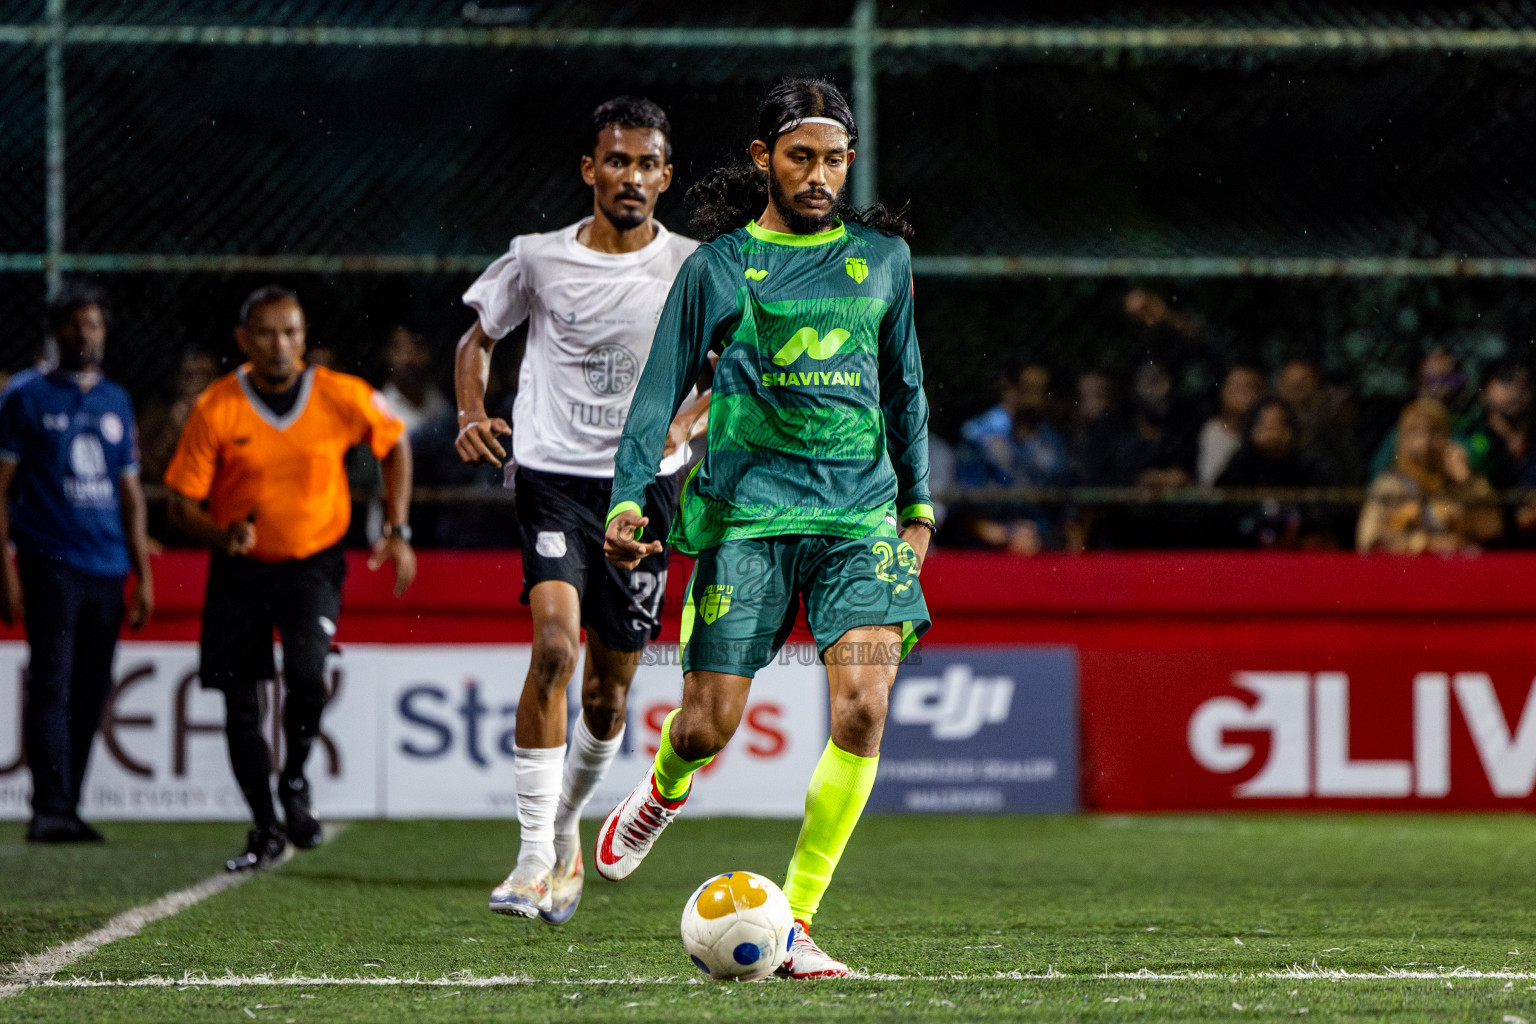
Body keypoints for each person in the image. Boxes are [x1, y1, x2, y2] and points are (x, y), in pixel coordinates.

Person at [597, 77, 932, 979]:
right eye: (800, 157)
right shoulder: (717, 268)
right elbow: (659, 390)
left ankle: (798, 924)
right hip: (747, 519)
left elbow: (906, 389)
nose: (819, 174)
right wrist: (631, 497)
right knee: (707, 727)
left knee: (864, 708)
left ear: (848, 161)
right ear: (763, 160)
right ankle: (665, 789)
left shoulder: (884, 264)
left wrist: (919, 508)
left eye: (832, 159)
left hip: (859, 522)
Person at [453, 96, 710, 925]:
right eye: (616, 160)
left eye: (646, 164)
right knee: (555, 647)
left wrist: (684, 421)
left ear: (666, 177)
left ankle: (566, 829)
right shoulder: (537, 258)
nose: (630, 176)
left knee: (607, 695)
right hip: (554, 475)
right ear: (590, 169)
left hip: (647, 486)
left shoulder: (696, 266)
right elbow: (477, 337)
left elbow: (733, 369)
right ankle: (532, 857)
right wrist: (470, 412)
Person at [164, 285, 416, 872]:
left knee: (307, 675)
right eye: (268, 333)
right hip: (240, 569)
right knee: (240, 703)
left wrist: (397, 528)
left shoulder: (339, 395)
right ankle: (264, 826)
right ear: (244, 340)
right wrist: (221, 535)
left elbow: (396, 444)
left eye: (292, 332)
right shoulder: (217, 407)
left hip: (312, 562)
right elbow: (180, 504)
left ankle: (296, 778)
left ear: (304, 338)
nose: (281, 344)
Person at [0, 284, 153, 843]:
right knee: (52, 682)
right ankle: (48, 806)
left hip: (108, 566)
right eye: (76, 325)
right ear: (56, 330)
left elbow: (131, 494)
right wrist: (6, 566)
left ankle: (72, 802)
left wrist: (143, 572)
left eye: (95, 325)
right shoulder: (25, 396)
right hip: (49, 561)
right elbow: (1, 488)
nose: (86, 335)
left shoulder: (116, 400)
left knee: (91, 689)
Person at [1357, 398, 1502, 555]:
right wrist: (1423, 544)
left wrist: (1468, 482)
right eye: (1414, 432)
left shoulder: (1461, 480)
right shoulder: (1389, 484)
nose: (1424, 443)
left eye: (1433, 432)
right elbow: (1368, 540)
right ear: (1401, 438)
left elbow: (1492, 529)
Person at [1215, 398, 1326, 548]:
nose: (1271, 432)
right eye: (1264, 425)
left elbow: (1318, 506)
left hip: (1295, 543)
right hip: (1245, 543)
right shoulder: (1242, 460)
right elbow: (1221, 498)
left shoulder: (1303, 461)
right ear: (1252, 428)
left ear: (1289, 429)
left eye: (1277, 425)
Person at [137, 349, 219, 482]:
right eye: (188, 376)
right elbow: (139, 467)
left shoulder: (228, 417)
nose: (195, 384)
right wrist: (171, 432)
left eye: (204, 375)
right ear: (177, 378)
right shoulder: (157, 415)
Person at [1197, 363, 1265, 486]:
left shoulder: (1267, 432)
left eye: (1249, 387)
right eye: (1235, 387)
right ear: (1222, 390)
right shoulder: (1209, 429)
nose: (1242, 395)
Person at [381, 326, 452, 435]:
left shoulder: (435, 393)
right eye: (400, 349)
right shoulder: (382, 410)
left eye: (416, 347)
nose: (409, 358)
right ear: (388, 354)